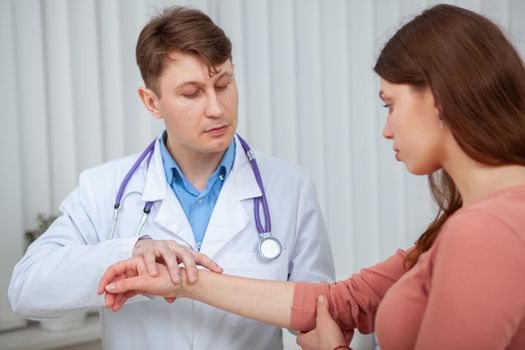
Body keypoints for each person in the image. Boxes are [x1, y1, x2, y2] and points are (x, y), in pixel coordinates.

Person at [98, 4, 525, 350]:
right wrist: (185, 284)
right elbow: (341, 303)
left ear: (439, 99)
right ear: (151, 102)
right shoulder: (466, 221)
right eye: (191, 94)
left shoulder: (486, 231)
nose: (387, 128)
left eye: (389, 104)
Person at [8, 6, 335, 350]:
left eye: (223, 84)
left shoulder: (289, 187)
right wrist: (129, 252)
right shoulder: (103, 189)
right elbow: (26, 289)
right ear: (152, 102)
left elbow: (320, 311)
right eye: (192, 93)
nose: (217, 108)